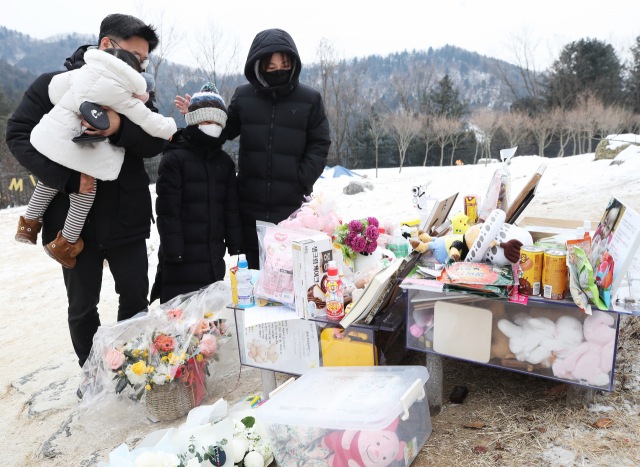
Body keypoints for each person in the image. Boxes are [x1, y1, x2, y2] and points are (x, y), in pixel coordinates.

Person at [6, 14, 164, 370]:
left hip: (127, 216)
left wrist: (118, 126)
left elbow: (156, 142)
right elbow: (17, 135)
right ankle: (93, 373)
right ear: (107, 46)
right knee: (81, 307)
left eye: (144, 60)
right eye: (135, 57)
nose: (140, 66)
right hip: (71, 222)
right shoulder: (55, 84)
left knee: (135, 298)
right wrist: (67, 180)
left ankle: (134, 369)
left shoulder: (136, 94)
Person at [176, 28, 331, 269]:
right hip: (250, 204)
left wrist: (301, 178)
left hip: (292, 207)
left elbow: (320, 143)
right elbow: (223, 131)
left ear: (293, 62)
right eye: (271, 66)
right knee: (257, 278)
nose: (278, 70)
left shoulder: (310, 98)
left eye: (284, 64)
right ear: (259, 65)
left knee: (293, 276)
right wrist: (200, 116)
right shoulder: (244, 95)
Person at [16, 47, 176, 268]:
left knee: (48, 181)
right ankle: (65, 245)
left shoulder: (80, 74)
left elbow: (53, 90)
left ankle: (28, 224)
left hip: (53, 139)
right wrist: (170, 126)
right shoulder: (122, 96)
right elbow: (150, 121)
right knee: (84, 194)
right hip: (83, 149)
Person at [150, 83, 243, 304]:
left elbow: (231, 208)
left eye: (218, 122)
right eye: (207, 121)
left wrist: (235, 244)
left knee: (208, 321)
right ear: (194, 120)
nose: (213, 126)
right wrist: (174, 251)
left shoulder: (224, 163)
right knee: (179, 320)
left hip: (212, 256)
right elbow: (167, 211)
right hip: (180, 259)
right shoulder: (175, 158)